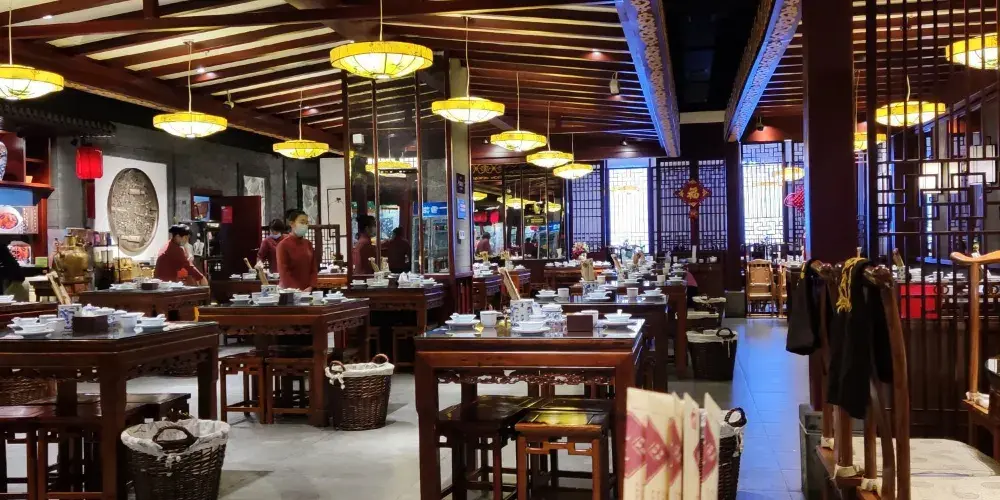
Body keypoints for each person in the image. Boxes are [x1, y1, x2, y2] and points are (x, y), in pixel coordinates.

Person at [276, 209, 317, 291]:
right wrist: (296, 290)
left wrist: (311, 286)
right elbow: (284, 272)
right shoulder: (283, 245)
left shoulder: (308, 244)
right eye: (302, 222)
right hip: (289, 291)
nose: (305, 225)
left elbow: (314, 268)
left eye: (306, 223)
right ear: (292, 224)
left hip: (308, 290)